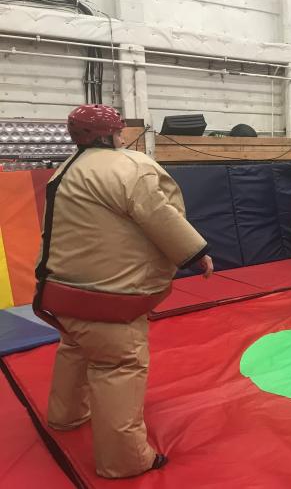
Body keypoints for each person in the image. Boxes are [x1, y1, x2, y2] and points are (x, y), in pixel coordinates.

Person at [33, 104, 213, 479]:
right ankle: (126, 459)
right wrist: (196, 253)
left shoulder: (65, 169)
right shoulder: (129, 167)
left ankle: (65, 415)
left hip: (59, 291)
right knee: (118, 365)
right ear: (111, 133)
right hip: (108, 298)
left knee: (75, 348)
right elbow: (161, 215)